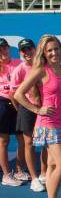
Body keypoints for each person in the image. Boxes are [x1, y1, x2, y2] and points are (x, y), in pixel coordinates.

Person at [15, 35, 61, 198]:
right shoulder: (40, 72)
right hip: (48, 124)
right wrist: (38, 109)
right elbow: (19, 94)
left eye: (56, 49)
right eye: (49, 50)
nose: (54, 53)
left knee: (52, 164)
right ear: (44, 53)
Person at [11, 38, 45, 192]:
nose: (27, 53)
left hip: (45, 109)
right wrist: (24, 109)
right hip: (27, 110)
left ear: (35, 50)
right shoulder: (19, 70)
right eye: (23, 51)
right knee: (29, 143)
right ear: (20, 53)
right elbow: (14, 94)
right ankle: (34, 178)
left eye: (29, 49)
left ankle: (44, 173)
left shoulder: (44, 67)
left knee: (46, 142)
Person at [0, 38, 22, 186]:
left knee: (23, 139)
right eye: (0, 49)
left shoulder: (18, 64)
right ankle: (6, 175)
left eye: (4, 48)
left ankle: (20, 170)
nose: (3, 51)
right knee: (4, 141)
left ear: (9, 48)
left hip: (19, 104)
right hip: (2, 103)